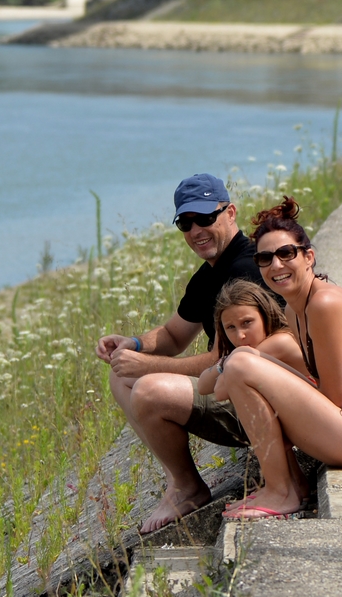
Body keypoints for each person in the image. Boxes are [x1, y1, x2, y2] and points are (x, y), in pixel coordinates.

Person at [95, 173, 269, 533]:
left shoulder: (245, 270)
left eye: (206, 218)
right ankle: (181, 480)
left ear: (230, 213)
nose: (196, 230)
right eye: (185, 223)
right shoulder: (209, 275)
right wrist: (135, 344)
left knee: (148, 388)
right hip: (230, 388)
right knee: (121, 374)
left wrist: (148, 366)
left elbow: (229, 360)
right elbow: (174, 333)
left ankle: (189, 488)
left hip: (260, 402)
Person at [215, 197, 342, 520]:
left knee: (243, 363)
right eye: (265, 258)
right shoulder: (292, 309)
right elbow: (219, 388)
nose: (276, 265)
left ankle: (281, 492)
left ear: (308, 257)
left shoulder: (323, 304)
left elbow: (334, 398)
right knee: (245, 366)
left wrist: (263, 378)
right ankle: (291, 485)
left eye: (286, 254)